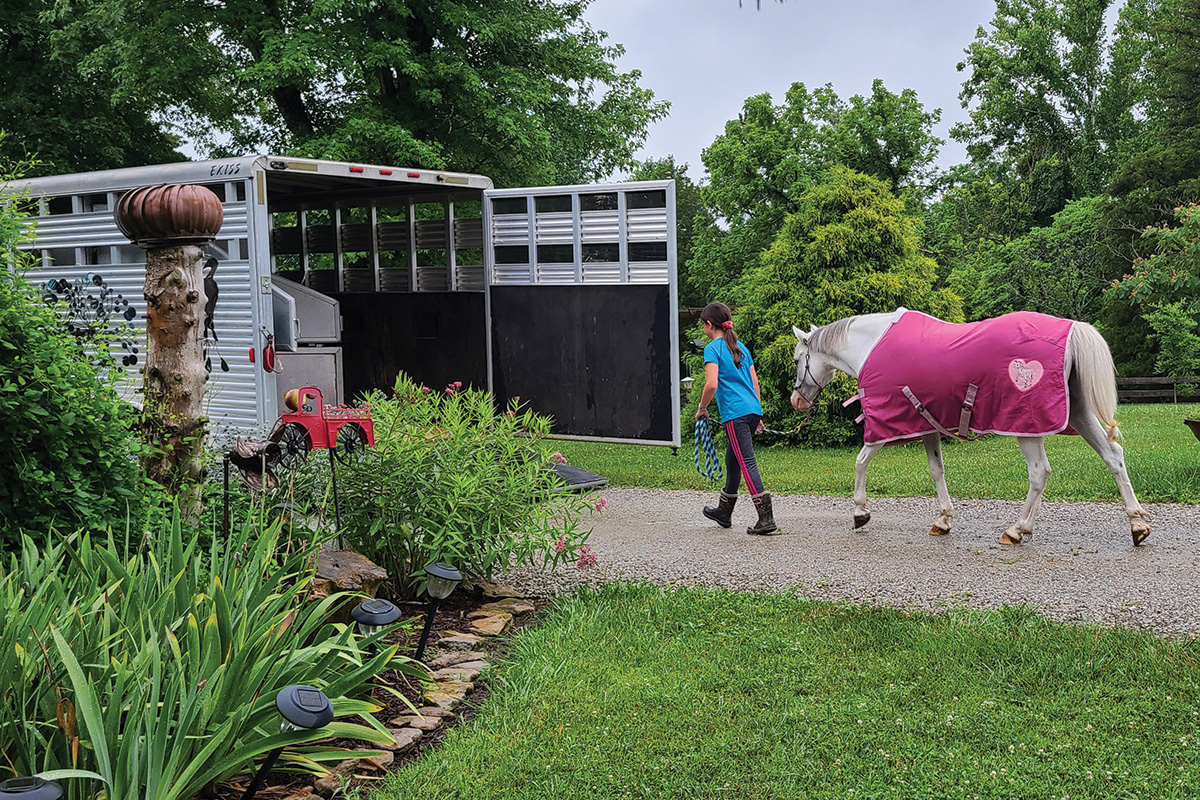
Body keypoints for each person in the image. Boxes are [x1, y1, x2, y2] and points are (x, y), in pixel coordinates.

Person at [695, 302, 776, 535]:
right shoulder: (741, 348)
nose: (703, 328)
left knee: (746, 461)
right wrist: (758, 414)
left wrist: (702, 408)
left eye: (703, 325)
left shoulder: (713, 348)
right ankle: (724, 511)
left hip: (735, 414)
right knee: (733, 459)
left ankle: (765, 517)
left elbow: (711, 384)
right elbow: (754, 382)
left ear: (709, 324)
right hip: (751, 410)